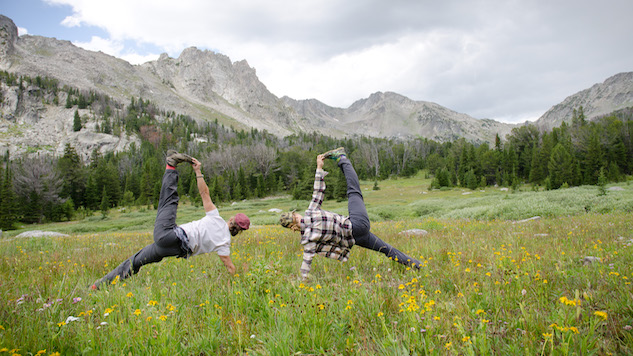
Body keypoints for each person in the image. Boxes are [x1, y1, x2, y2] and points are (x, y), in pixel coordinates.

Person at [91, 150, 250, 289]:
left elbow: (204, 194)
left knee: (170, 201)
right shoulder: (224, 243)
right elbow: (230, 267)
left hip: (170, 235)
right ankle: (98, 286)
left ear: (231, 219)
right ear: (240, 231)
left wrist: (198, 172)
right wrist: (236, 280)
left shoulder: (216, 218)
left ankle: (171, 165)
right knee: (135, 262)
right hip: (170, 249)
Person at [280, 147, 421, 279]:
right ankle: (342, 158)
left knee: (386, 250)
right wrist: (319, 167)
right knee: (353, 191)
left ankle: (417, 265)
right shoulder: (310, 212)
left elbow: (306, 263)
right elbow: (318, 191)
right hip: (357, 224)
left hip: (355, 238)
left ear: (292, 227)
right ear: (295, 216)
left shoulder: (308, 241)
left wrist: (302, 280)